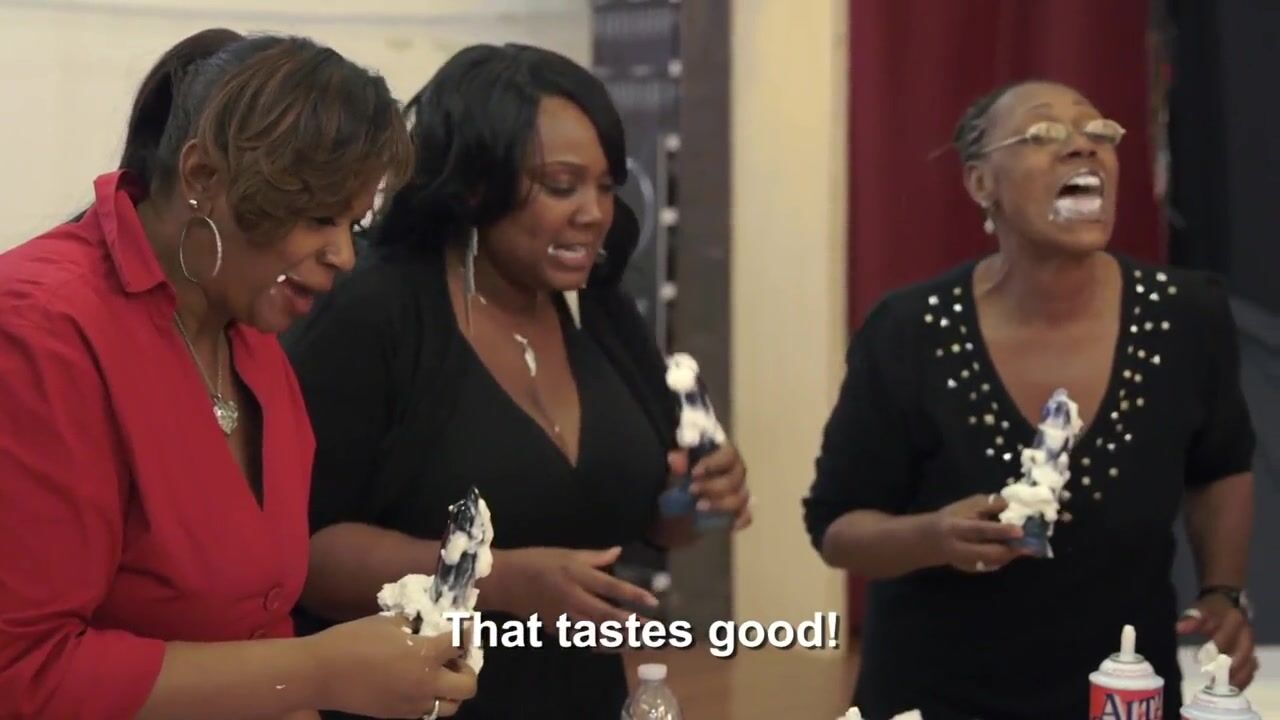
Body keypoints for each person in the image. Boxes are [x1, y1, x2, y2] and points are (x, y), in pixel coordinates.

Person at [0, 30, 476, 720]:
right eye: (319, 217)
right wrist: (319, 672)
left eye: (353, 222)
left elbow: (253, 629)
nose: (343, 255)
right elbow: (22, 673)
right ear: (202, 177)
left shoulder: (245, 331)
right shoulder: (41, 331)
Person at [282, 43, 753, 719]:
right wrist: (495, 578)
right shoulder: (375, 312)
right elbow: (303, 555)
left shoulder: (599, 309)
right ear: (475, 186)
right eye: (562, 186)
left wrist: (692, 500)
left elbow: (643, 518)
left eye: (606, 187)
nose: (594, 213)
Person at [803, 80, 1256, 719]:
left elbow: (1220, 466)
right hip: (939, 696)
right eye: (1043, 134)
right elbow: (837, 529)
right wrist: (934, 536)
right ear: (980, 182)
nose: (1082, 147)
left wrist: (1222, 592)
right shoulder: (909, 331)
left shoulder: (1187, 315)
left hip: (1123, 692)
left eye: (1098, 132)